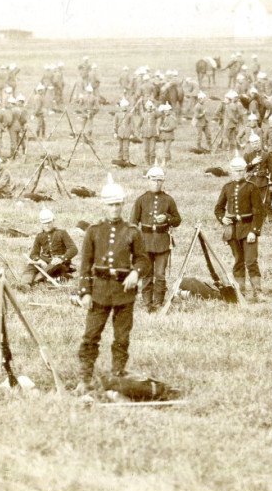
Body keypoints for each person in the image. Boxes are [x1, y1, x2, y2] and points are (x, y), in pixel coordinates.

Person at [75, 175, 148, 392]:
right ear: (103, 205)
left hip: (124, 293)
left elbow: (143, 259)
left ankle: (117, 376)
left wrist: (136, 273)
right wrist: (85, 292)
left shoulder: (133, 232)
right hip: (99, 292)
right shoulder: (94, 231)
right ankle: (84, 378)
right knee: (90, 336)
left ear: (123, 204)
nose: (115, 209)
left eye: (118, 204)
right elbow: (85, 264)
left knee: (121, 338)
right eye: (110, 205)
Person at [129, 165, 182, 312]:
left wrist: (167, 218)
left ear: (163, 182)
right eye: (154, 180)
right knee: (146, 274)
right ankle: (147, 303)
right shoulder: (141, 200)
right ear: (148, 181)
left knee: (160, 274)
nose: (157, 183)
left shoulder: (168, 200)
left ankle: (158, 302)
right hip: (144, 242)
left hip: (162, 242)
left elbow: (178, 220)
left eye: (160, 180)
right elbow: (132, 224)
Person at [214, 152, 266, 300]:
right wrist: (222, 219)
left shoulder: (252, 187)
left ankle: (258, 291)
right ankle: (240, 291)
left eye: (241, 170)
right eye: (235, 170)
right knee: (238, 261)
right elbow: (218, 208)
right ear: (231, 171)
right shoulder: (227, 187)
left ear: (245, 171)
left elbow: (259, 212)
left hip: (248, 228)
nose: (238, 173)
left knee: (250, 261)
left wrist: (254, 232)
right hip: (232, 230)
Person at [19, 208, 78, 289]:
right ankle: (24, 284)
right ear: (41, 223)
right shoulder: (39, 236)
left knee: (54, 265)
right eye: (44, 223)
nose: (47, 225)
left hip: (60, 263)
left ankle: (35, 282)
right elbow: (33, 254)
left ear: (53, 221)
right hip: (45, 261)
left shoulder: (62, 233)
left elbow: (73, 249)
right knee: (31, 266)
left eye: (49, 222)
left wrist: (61, 258)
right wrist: (39, 261)